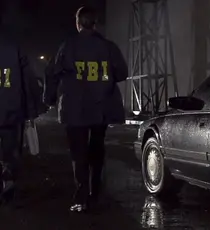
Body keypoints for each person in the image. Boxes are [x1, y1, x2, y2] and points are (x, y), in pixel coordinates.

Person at [44, 6, 128, 212]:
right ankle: (95, 193)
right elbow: (122, 73)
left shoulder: (68, 46)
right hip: (100, 107)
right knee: (97, 150)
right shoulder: (108, 47)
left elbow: (52, 73)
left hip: (74, 108)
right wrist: (103, 77)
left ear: (78, 23)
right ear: (95, 23)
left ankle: (81, 196)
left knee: (78, 153)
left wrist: (50, 98)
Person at [0, 4, 41, 203]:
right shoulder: (14, 48)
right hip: (10, 110)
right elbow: (27, 81)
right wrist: (31, 111)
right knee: (11, 153)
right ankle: (8, 185)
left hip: (11, 109)